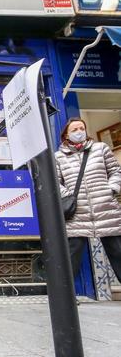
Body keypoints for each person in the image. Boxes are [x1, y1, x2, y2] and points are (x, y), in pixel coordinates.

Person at [55, 118, 121, 284]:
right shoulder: (59, 157)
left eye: (81, 128)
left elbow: (116, 171)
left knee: (118, 252)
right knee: (72, 256)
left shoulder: (100, 149)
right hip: (77, 212)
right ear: (66, 135)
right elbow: (56, 182)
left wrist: (111, 189)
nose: (79, 132)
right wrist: (67, 195)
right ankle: (67, 297)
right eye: (75, 129)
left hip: (105, 208)